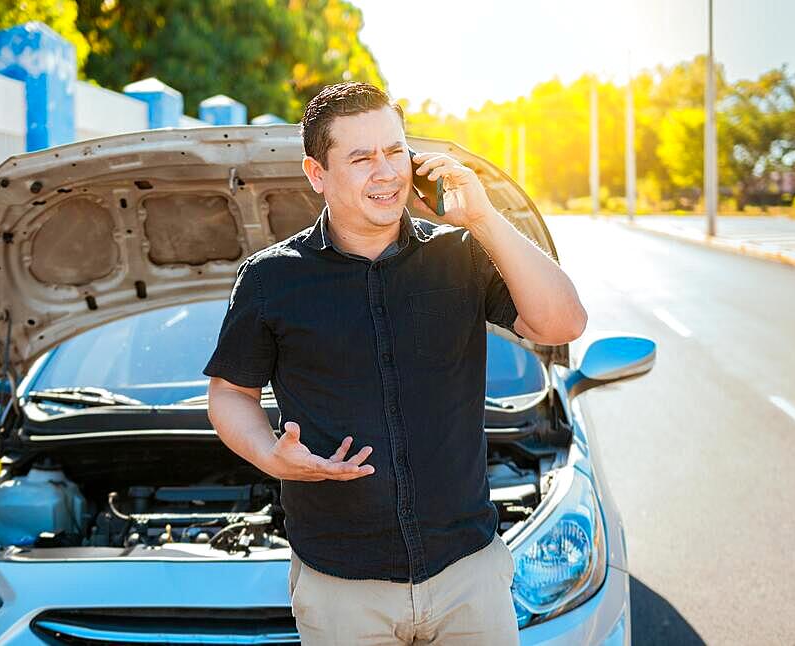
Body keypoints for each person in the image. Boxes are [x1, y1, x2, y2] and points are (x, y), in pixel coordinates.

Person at [203, 82, 587, 645]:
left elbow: (564, 324)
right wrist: (270, 455)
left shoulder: (461, 254)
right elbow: (230, 393)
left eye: (394, 151)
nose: (386, 173)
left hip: (468, 576)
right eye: (360, 158)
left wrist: (483, 218)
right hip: (342, 589)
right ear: (317, 174)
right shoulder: (271, 278)